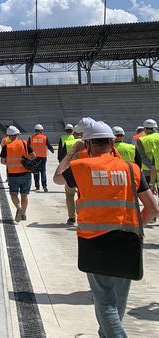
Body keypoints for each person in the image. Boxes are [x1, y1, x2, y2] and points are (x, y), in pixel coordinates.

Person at [54, 118, 159, 338]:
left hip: (94, 242)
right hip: (128, 241)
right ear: (112, 142)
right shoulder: (132, 170)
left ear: (89, 144)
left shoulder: (81, 167)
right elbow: (153, 209)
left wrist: (73, 151)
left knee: (104, 302)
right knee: (117, 301)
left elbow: (57, 178)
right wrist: (137, 227)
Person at [0, 125, 36, 222]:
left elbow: (3, 162)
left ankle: (19, 208)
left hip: (13, 175)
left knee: (13, 193)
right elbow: (34, 156)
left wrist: (11, 163)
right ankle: (23, 214)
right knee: (24, 195)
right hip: (26, 174)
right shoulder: (24, 143)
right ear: (17, 134)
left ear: (9, 136)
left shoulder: (6, 147)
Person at [64, 129, 86, 224]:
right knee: (83, 196)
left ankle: (72, 217)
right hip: (84, 174)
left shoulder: (68, 143)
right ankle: (83, 216)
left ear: (74, 134)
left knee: (69, 195)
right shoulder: (89, 144)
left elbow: (61, 158)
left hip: (70, 172)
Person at [28, 124, 54, 192]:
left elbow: (27, 147)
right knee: (43, 172)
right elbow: (48, 145)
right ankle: (44, 186)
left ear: (35, 130)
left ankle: (37, 186)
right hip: (43, 157)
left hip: (34, 158)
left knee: (35, 172)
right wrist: (52, 150)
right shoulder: (44, 137)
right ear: (41, 130)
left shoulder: (31, 137)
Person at [136, 119, 159, 194]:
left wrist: (152, 167)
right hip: (157, 168)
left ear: (145, 129)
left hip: (148, 170)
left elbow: (143, 157)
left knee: (150, 194)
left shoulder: (141, 140)